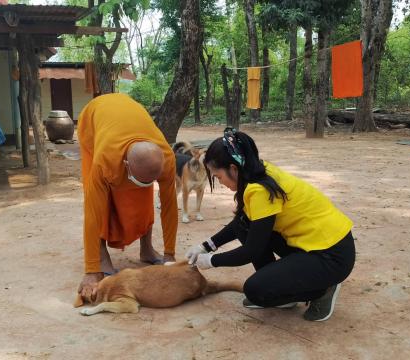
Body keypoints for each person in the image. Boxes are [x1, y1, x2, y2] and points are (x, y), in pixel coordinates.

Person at [186, 128, 355, 321]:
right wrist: (206, 245)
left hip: (331, 255)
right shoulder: (256, 171)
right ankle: (283, 292)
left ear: (233, 168)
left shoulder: (259, 190)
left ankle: (323, 289)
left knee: (255, 290)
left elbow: (251, 251)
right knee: (244, 225)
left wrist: (211, 261)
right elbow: (242, 223)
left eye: (218, 177)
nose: (221, 182)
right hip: (311, 243)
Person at [77, 93, 178, 302]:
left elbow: (169, 206)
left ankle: (147, 249)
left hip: (128, 122)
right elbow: (92, 213)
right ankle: (102, 257)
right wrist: (90, 269)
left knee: (141, 199)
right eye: (139, 179)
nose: (143, 186)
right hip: (93, 124)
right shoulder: (104, 160)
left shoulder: (165, 158)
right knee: (102, 202)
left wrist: (170, 255)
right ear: (126, 166)